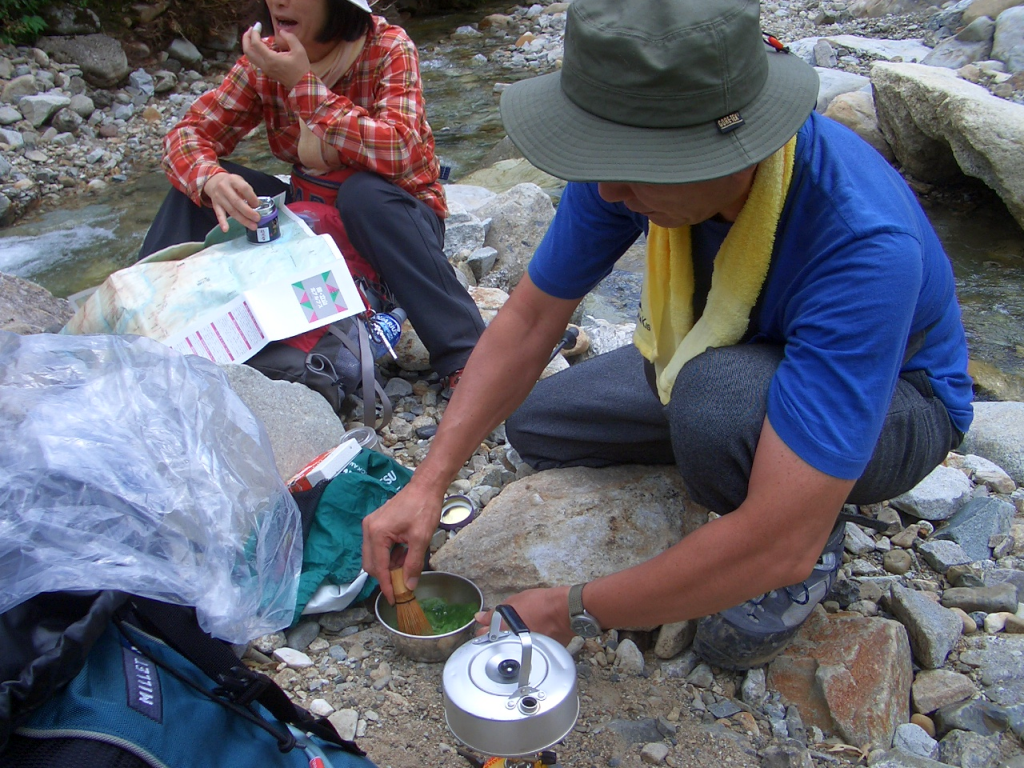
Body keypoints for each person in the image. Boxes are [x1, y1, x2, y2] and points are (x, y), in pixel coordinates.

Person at [362, 0, 973, 669]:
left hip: (903, 400)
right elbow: (534, 318)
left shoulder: (862, 241)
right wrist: (428, 483)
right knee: (538, 422)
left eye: (641, 166)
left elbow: (776, 546)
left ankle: (816, 518)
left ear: (736, 148)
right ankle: (750, 471)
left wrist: (575, 607)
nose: (612, 191)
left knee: (716, 410)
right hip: (725, 341)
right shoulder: (620, 174)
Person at [140, 0, 483, 386]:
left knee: (363, 194)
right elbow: (186, 135)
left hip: (394, 221)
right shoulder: (265, 58)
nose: (280, 2)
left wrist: (303, 86)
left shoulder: (388, 47)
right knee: (196, 192)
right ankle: (144, 332)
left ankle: (466, 356)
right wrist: (210, 178)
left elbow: (400, 150)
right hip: (310, 220)